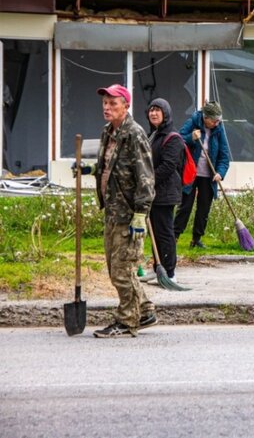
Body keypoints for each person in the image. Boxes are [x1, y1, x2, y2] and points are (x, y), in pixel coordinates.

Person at [74, 84, 157, 338]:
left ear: (126, 106)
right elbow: (107, 166)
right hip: (112, 210)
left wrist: (141, 213)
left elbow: (146, 176)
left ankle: (126, 320)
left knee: (122, 269)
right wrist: (89, 170)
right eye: (105, 104)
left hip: (129, 214)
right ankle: (143, 310)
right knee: (116, 267)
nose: (107, 108)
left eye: (113, 103)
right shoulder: (107, 132)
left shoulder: (135, 134)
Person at [173, 101, 231, 249]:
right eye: (214, 120)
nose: (217, 123)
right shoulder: (193, 122)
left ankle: (196, 239)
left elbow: (224, 156)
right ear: (205, 118)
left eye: (218, 120)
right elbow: (178, 140)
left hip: (208, 175)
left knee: (204, 208)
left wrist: (220, 173)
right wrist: (191, 138)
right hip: (190, 173)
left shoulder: (219, 129)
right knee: (185, 206)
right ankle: (174, 237)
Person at [146, 98, 185, 280]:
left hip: (165, 193)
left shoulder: (173, 138)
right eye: (151, 110)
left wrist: (147, 181)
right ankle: (158, 269)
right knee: (154, 231)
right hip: (153, 192)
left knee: (165, 233)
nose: (153, 113)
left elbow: (168, 166)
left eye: (158, 110)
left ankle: (169, 273)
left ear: (166, 114)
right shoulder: (153, 135)